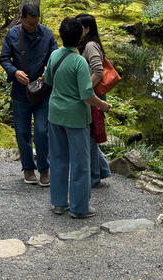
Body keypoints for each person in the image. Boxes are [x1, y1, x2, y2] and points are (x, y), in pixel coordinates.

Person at [44, 17, 109, 219]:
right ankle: (80, 207)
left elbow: (47, 80)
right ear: (80, 35)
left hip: (55, 114)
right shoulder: (80, 62)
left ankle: (58, 203)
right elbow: (86, 94)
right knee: (80, 163)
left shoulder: (54, 55)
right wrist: (103, 105)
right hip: (76, 117)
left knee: (57, 158)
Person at [0, 2, 58, 186]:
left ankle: (44, 169)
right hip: (20, 92)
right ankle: (28, 168)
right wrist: (15, 72)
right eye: (29, 24)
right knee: (22, 131)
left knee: (42, 130)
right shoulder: (12, 35)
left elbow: (55, 54)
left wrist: (49, 68)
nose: (33, 27)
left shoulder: (46, 34)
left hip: (42, 91)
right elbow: (4, 59)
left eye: (36, 23)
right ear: (22, 18)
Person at [76, 11, 113, 188]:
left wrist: (85, 90)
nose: (76, 30)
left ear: (87, 29)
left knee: (90, 135)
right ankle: (103, 169)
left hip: (92, 94)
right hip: (92, 94)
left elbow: (98, 71)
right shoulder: (89, 43)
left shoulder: (90, 45)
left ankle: (94, 177)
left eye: (79, 27)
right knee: (91, 133)